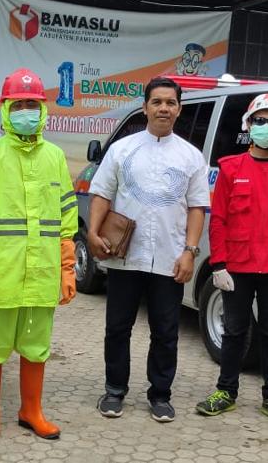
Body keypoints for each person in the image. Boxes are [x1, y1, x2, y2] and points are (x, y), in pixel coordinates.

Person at [0, 68, 79, 443]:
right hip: (2, 274)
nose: (26, 111)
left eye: (32, 104)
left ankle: (31, 411)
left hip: (41, 274)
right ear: (7, 110)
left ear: (43, 109)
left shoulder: (55, 157)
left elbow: (66, 218)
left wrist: (67, 269)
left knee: (36, 347)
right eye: (19, 104)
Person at [88, 77, 209, 423]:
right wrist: (93, 233)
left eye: (170, 103)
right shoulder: (122, 149)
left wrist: (190, 251)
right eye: (157, 102)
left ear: (179, 109)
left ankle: (160, 395)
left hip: (170, 258)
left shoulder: (191, 156)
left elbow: (197, 207)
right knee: (117, 328)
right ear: (145, 107)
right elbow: (102, 194)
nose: (163, 108)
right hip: (125, 257)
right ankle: (114, 390)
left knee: (166, 331)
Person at [195, 93, 268, 428]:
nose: (267, 126)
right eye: (260, 120)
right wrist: (218, 265)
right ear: (248, 125)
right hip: (238, 267)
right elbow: (219, 221)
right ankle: (225, 392)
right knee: (234, 332)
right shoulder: (231, 168)